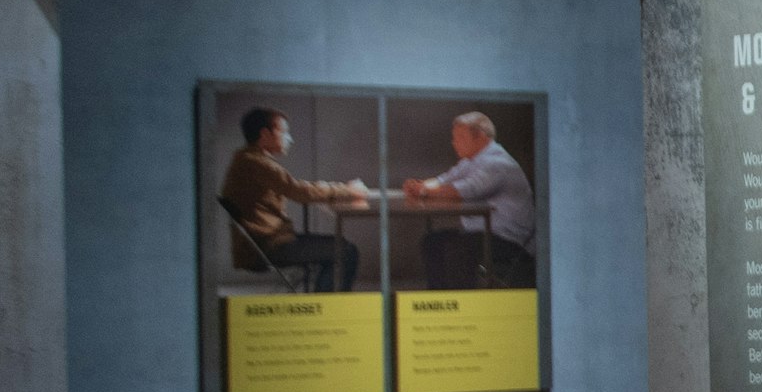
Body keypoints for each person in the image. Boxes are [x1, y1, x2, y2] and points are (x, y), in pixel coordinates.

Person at [217, 106, 374, 291]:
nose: (289, 139)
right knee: (346, 252)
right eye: (284, 132)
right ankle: (325, 306)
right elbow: (300, 192)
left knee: (340, 248)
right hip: (270, 246)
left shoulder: (245, 158)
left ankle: (323, 302)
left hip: (262, 243)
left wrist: (341, 189)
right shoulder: (257, 163)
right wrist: (348, 190)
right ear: (265, 134)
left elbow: (298, 188)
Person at [394, 109, 537, 289]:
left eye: (461, 137)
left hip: (509, 240)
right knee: (432, 241)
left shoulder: (498, 164)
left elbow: (464, 190)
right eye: (454, 137)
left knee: (458, 249)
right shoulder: (470, 161)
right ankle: (439, 298)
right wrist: (419, 185)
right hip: (482, 233)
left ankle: (462, 302)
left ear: (481, 137)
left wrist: (423, 190)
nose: (454, 142)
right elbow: (443, 180)